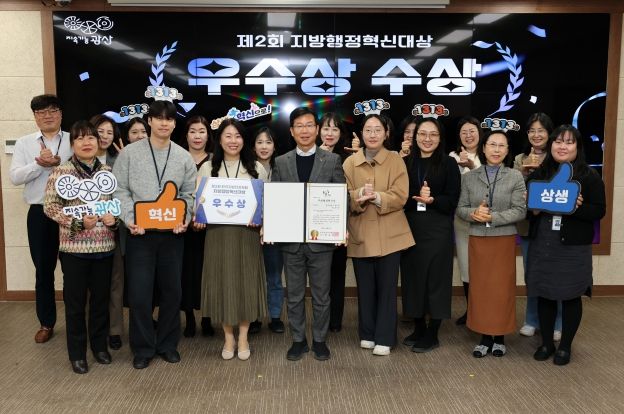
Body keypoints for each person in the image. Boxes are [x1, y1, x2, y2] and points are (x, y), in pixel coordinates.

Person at [113, 100, 196, 369]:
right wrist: (130, 219)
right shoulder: (129, 154)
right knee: (140, 295)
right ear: (149, 121)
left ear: (174, 123)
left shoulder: (183, 156)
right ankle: (143, 348)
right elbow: (120, 190)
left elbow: (189, 194)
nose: (164, 123)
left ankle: (168, 345)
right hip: (140, 234)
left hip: (173, 235)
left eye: (169, 119)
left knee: (172, 292)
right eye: (158, 118)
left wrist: (184, 219)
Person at [43, 120, 119, 374]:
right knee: (75, 305)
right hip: (74, 249)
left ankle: (99, 347)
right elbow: (50, 207)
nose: (86, 143)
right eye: (80, 138)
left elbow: (117, 205)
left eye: (91, 138)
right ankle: (77, 354)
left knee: (100, 302)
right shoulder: (61, 172)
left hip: (104, 246)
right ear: (72, 143)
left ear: (98, 142)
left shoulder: (107, 172)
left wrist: (114, 220)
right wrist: (77, 222)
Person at [527, 125, 605, 365]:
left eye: (569, 142)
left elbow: (599, 211)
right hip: (544, 244)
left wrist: (576, 207)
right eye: (558, 141)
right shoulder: (540, 173)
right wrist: (533, 208)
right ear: (551, 145)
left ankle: (565, 346)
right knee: (545, 294)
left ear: (577, 147)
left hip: (573, 247)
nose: (562, 146)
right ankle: (546, 343)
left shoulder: (589, 176)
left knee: (571, 296)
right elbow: (528, 209)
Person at [272, 107, 345, 361]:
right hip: (291, 241)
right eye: (299, 126)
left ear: (317, 129)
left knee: (321, 296)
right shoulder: (281, 162)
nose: (305, 130)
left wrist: (341, 226)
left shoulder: (332, 161)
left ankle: (320, 340)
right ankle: (298, 340)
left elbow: (341, 198)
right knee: (293, 296)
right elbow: (275, 200)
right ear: (292, 132)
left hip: (321, 241)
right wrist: (272, 225)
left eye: (309, 125)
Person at [195, 118, 268, 361]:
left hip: (247, 235)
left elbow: (267, 204)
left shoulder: (257, 168)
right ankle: (228, 337)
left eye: (237, 136)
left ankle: (244, 336)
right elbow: (198, 204)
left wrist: (261, 219)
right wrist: (198, 217)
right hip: (218, 235)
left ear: (244, 140)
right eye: (228, 136)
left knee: (246, 283)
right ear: (219, 140)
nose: (233, 141)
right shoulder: (207, 168)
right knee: (222, 283)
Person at [343, 114, 414, 356]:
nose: (372, 134)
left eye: (377, 130)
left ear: (386, 133)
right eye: (368, 130)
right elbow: (344, 195)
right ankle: (367, 333)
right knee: (365, 288)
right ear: (361, 133)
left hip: (390, 234)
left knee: (387, 289)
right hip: (361, 231)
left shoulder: (395, 160)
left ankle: (385, 337)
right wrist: (359, 196)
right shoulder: (350, 163)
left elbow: (401, 195)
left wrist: (378, 197)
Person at [456, 130, 526, 358]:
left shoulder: (515, 177)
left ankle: (500, 337)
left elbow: (520, 210)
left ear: (507, 150)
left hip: (504, 239)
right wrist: (473, 213)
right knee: (480, 289)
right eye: (492, 145)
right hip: (478, 239)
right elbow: (460, 208)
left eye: (501, 146)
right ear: (484, 148)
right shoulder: (469, 177)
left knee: (502, 289)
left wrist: (492, 217)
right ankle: (484, 337)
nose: (496, 150)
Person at [9, 94, 72, 343]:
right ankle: (46, 323)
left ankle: (76, 321)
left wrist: (60, 164)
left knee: (73, 270)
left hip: (70, 212)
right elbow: (15, 177)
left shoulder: (73, 139)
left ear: (61, 114)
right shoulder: (24, 143)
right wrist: (39, 165)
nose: (47, 116)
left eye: (53, 110)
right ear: (35, 117)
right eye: (41, 112)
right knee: (43, 271)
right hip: (40, 212)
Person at [401, 118, 461, 352]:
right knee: (413, 279)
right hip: (410, 227)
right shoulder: (405, 162)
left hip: (438, 227)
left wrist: (432, 200)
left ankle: (433, 332)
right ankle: (418, 327)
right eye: (423, 134)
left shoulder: (449, 163)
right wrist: (415, 198)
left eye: (433, 134)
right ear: (415, 137)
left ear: (440, 138)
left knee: (436, 279)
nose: (427, 139)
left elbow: (453, 199)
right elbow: (399, 196)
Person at [514, 113, 562, 340]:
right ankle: (531, 319)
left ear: (549, 133)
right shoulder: (519, 159)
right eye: (532, 130)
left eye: (541, 130)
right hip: (528, 224)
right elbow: (514, 191)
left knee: (555, 273)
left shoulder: (558, 157)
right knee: (532, 272)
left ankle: (557, 322)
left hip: (553, 223)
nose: (536, 135)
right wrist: (523, 174)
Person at [249, 126, 285, 334]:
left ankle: (275, 316)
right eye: (260, 142)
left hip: (276, 231)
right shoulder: (247, 167)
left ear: (275, 146)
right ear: (253, 146)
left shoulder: (283, 166)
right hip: (252, 230)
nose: (264, 146)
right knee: (253, 276)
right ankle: (253, 316)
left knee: (274, 275)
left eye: (268, 142)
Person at [181, 115, 214, 338]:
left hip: (210, 227)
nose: (197, 136)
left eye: (202, 131)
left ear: (208, 135)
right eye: (193, 131)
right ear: (186, 135)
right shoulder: (178, 158)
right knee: (186, 273)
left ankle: (207, 317)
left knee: (207, 273)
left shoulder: (215, 160)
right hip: (183, 227)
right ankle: (189, 317)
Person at [317, 113, 350, 332]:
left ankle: (335, 320)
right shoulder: (309, 154)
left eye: (335, 129)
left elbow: (347, 193)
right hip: (315, 226)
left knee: (337, 275)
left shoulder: (348, 158)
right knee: (319, 278)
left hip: (337, 225)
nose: (330, 133)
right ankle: (321, 318)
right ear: (318, 131)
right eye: (326, 128)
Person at [449, 116, 483, 325]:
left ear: (480, 133)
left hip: (485, 220)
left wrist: (472, 166)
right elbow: (453, 187)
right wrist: (462, 167)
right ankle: (471, 310)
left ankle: (483, 310)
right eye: (464, 132)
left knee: (483, 266)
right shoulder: (452, 157)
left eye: (472, 131)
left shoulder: (488, 154)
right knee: (465, 265)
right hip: (462, 219)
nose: (468, 135)